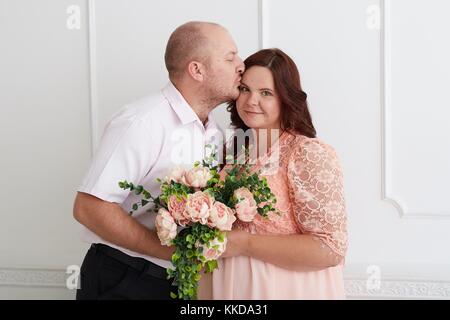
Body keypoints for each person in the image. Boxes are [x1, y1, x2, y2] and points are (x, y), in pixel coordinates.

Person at [73, 21, 244, 300]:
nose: (241, 65)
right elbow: (89, 208)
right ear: (197, 70)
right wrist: (170, 252)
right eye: (230, 57)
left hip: (178, 283)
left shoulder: (214, 133)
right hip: (124, 279)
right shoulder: (142, 122)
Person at [209, 48, 348, 299]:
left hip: (286, 289)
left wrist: (243, 243)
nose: (251, 101)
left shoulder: (307, 152)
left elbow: (330, 248)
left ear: (285, 98)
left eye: (266, 93)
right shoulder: (235, 150)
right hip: (232, 288)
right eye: (245, 89)